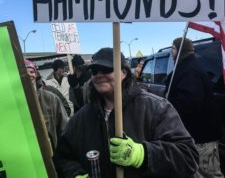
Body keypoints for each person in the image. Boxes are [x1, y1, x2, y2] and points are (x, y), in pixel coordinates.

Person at [54, 47, 199, 178]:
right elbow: (62, 157)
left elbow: (188, 157)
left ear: (124, 73)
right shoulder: (83, 116)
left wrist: (142, 155)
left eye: (105, 69)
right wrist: (75, 174)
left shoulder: (156, 108)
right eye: (94, 70)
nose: (98, 75)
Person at [165, 37, 224, 178]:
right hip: (195, 135)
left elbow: (190, 102)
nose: (171, 52)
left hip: (201, 137)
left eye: (173, 48)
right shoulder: (188, 66)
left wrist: (167, 105)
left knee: (207, 173)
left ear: (181, 50)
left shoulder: (189, 70)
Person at [25, 59, 69, 151]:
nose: (29, 74)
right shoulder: (16, 103)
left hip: (53, 151)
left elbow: (65, 128)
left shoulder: (50, 97)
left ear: (36, 74)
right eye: (25, 72)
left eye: (32, 71)